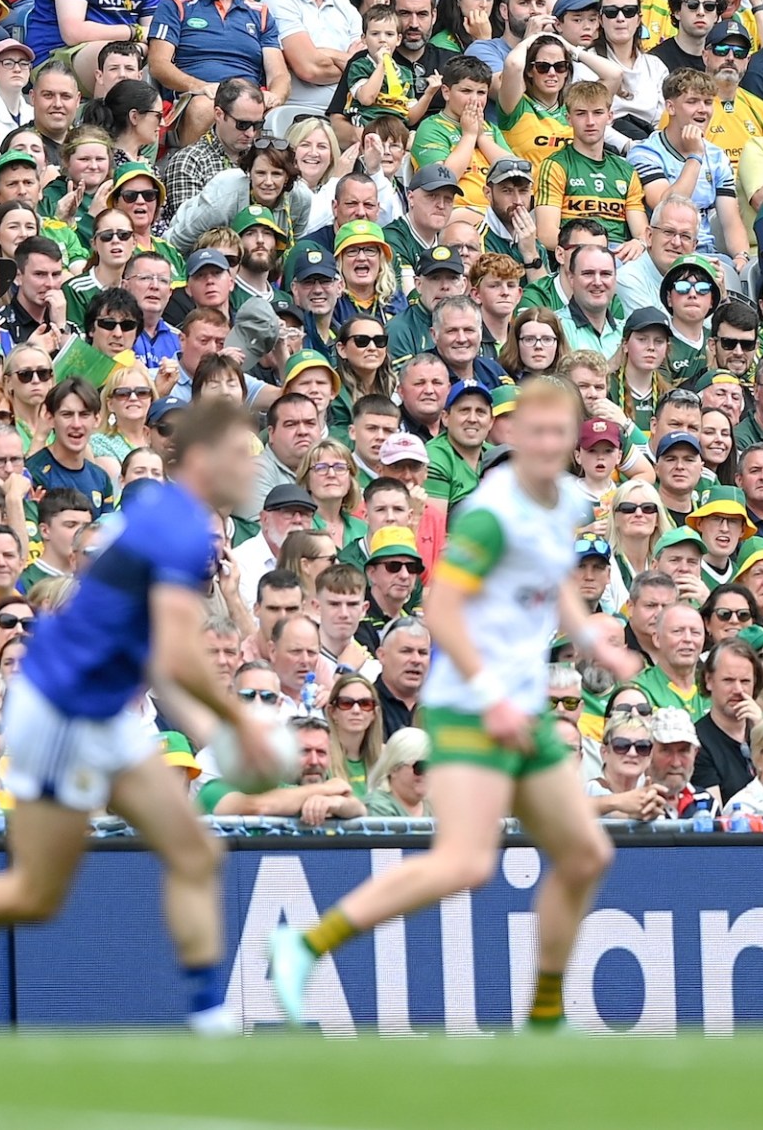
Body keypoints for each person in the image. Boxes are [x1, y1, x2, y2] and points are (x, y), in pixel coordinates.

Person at [0, 393, 284, 1032]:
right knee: (36, 894)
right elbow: (179, 653)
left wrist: (217, 721)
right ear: (206, 458)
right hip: (65, 711)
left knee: (191, 854)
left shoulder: (168, 515)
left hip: (92, 708)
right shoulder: (178, 526)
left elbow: (159, 653)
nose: (252, 471)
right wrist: (237, 725)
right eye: (243, 456)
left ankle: (210, 1018)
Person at [266, 376, 642, 1032]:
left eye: (562, 434)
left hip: (520, 708)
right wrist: (493, 695)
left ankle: (545, 1017)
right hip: (470, 706)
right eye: (538, 433)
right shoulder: (493, 514)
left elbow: (550, 580)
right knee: (465, 863)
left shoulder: (562, 505)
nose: (550, 445)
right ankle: (304, 945)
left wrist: (590, 638)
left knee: (586, 855)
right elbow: (439, 607)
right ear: (515, 436)